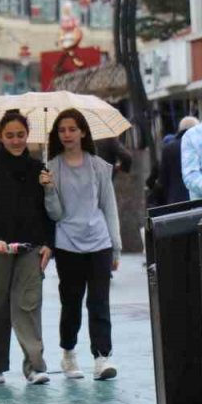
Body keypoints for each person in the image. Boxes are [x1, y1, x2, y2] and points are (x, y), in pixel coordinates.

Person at [42, 109, 120, 381]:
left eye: (72, 129)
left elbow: (109, 207)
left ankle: (102, 357)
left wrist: (116, 247)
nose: (67, 134)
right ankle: (69, 353)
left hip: (99, 243)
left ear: (83, 132)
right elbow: (55, 214)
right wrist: (49, 190)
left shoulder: (99, 166)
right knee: (71, 303)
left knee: (99, 302)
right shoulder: (51, 168)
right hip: (67, 245)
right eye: (62, 130)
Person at [0, 110, 54, 385]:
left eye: (20, 135)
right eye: (10, 135)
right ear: (1, 137)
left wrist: (48, 243)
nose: (16, 140)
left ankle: (35, 366)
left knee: (28, 304)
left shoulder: (39, 171)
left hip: (31, 248)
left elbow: (47, 212)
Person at [153, 116, 199, 207]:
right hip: (201, 201)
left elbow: (163, 181)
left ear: (179, 129)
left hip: (176, 202)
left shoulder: (169, 149)